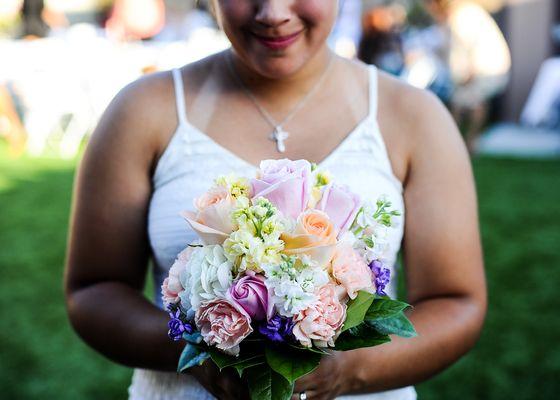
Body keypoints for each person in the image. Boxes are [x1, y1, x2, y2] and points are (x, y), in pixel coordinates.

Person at [64, 1, 487, 399]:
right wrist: (196, 357)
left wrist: (349, 370)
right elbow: (94, 289)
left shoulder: (414, 115)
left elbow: (456, 300)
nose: (273, 13)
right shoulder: (141, 110)